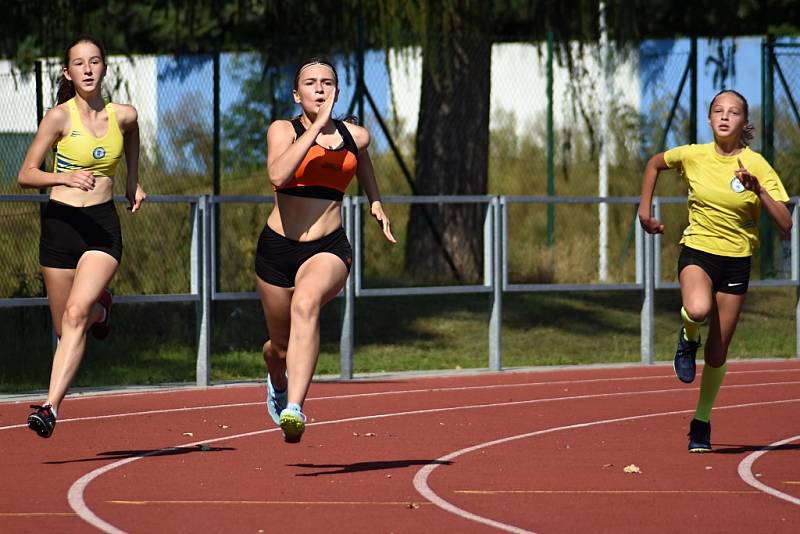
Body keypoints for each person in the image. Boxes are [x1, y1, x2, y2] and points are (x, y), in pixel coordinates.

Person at [638, 89, 792, 452]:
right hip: (698, 252)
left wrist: (760, 192)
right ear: (709, 119)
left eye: (734, 112)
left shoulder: (757, 165)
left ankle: (701, 422)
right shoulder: (693, 155)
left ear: (744, 122)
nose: (725, 117)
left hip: (737, 261)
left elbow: (786, 222)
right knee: (697, 309)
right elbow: (654, 164)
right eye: (718, 111)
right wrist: (644, 211)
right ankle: (688, 335)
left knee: (719, 354)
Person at [257, 57, 396, 443]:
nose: (320, 89)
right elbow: (278, 175)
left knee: (306, 305)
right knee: (278, 349)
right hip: (276, 251)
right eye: (311, 82)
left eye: (327, 82)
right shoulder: (282, 130)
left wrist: (375, 201)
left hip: (328, 248)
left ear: (337, 90)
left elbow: (362, 159)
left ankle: (295, 409)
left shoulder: (357, 136)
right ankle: (276, 379)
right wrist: (317, 127)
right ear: (296, 93)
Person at [17, 36, 146, 438]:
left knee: (75, 315)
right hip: (60, 227)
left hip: (101, 229)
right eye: (79, 63)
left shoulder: (122, 115)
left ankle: (50, 407)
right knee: (66, 327)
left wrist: (132, 182)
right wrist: (64, 176)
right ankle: (101, 312)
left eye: (94, 62)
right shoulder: (58, 117)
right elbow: (25, 174)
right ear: (68, 73)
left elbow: (134, 136)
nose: (88, 69)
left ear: (104, 68)